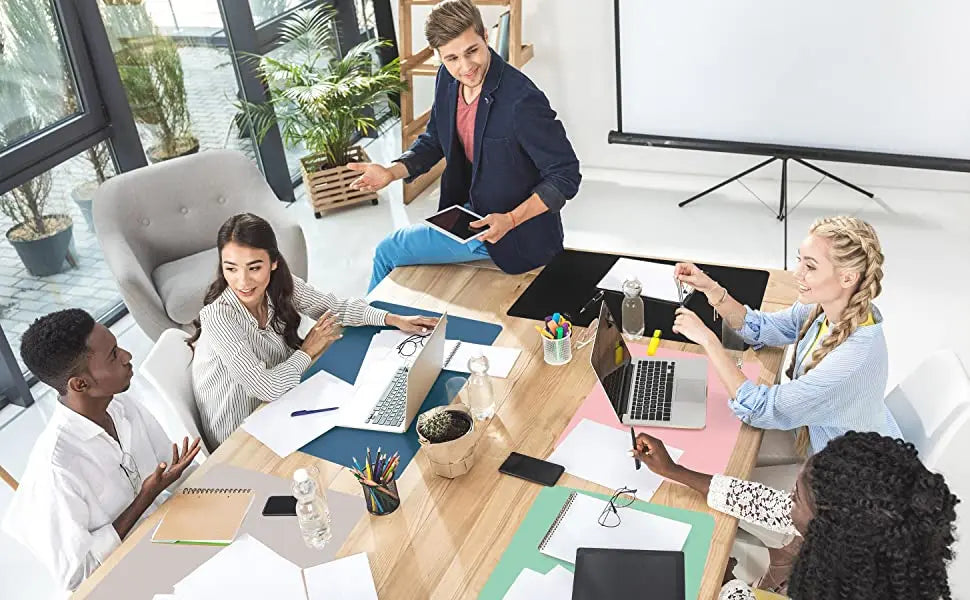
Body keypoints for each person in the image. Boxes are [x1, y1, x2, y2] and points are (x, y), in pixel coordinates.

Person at [349, 0, 581, 292]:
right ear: (439, 57)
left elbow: (565, 174)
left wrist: (510, 220)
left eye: (472, 51)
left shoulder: (521, 99)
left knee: (387, 251)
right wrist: (391, 172)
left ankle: (370, 329)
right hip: (466, 212)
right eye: (452, 58)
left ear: (486, 35)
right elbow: (435, 139)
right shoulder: (447, 79)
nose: (466, 67)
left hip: (512, 234)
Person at [188, 213, 437, 448]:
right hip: (240, 433)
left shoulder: (281, 284)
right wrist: (307, 351)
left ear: (273, 262)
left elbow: (335, 308)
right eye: (231, 268)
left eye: (254, 268)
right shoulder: (219, 316)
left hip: (283, 402)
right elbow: (265, 387)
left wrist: (391, 319)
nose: (242, 281)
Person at [1, 309, 201, 591]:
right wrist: (145, 496)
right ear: (80, 384)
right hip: (127, 581)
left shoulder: (120, 406)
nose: (127, 356)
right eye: (114, 355)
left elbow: (170, 468)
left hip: (170, 539)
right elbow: (78, 576)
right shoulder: (58, 469)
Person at [672, 216, 900, 461]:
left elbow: (759, 409)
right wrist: (711, 288)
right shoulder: (829, 308)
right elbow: (762, 327)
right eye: (799, 261)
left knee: (711, 444)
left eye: (810, 267)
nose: (796, 274)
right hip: (813, 429)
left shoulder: (850, 360)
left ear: (847, 277)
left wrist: (708, 341)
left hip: (842, 471)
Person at [632, 431, 958, 600]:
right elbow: (763, 503)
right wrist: (675, 470)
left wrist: (727, 583)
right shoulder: (876, 555)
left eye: (797, 495)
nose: (788, 496)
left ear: (831, 534)